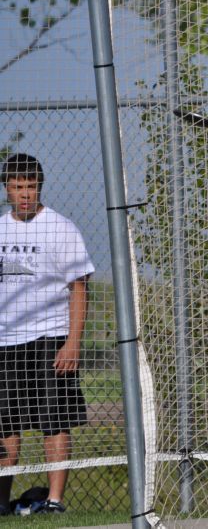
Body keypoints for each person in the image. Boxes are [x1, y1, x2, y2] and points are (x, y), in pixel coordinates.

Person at [0, 153, 95, 516]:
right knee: (5, 424)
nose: (25, 194)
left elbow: (79, 288)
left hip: (49, 337)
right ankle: (3, 505)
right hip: (6, 340)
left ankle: (54, 501)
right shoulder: (1, 227)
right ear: (6, 189)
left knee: (53, 420)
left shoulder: (61, 227)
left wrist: (72, 342)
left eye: (31, 187)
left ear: (40, 187)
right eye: (17, 187)